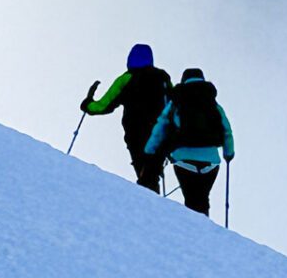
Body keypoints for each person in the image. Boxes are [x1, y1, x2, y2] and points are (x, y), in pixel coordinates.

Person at [81, 43, 171, 192]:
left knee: (144, 172)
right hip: (160, 132)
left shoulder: (126, 79)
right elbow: (173, 103)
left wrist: (88, 103)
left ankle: (147, 203)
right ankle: (152, 201)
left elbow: (104, 106)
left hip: (135, 132)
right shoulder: (162, 77)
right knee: (151, 172)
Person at [145, 68, 233, 216]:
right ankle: (205, 232)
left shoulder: (177, 100)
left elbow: (161, 125)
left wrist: (149, 150)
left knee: (191, 200)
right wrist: (228, 153)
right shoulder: (213, 104)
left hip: (183, 160)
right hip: (211, 162)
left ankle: (193, 233)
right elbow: (227, 131)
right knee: (203, 199)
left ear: (184, 80)